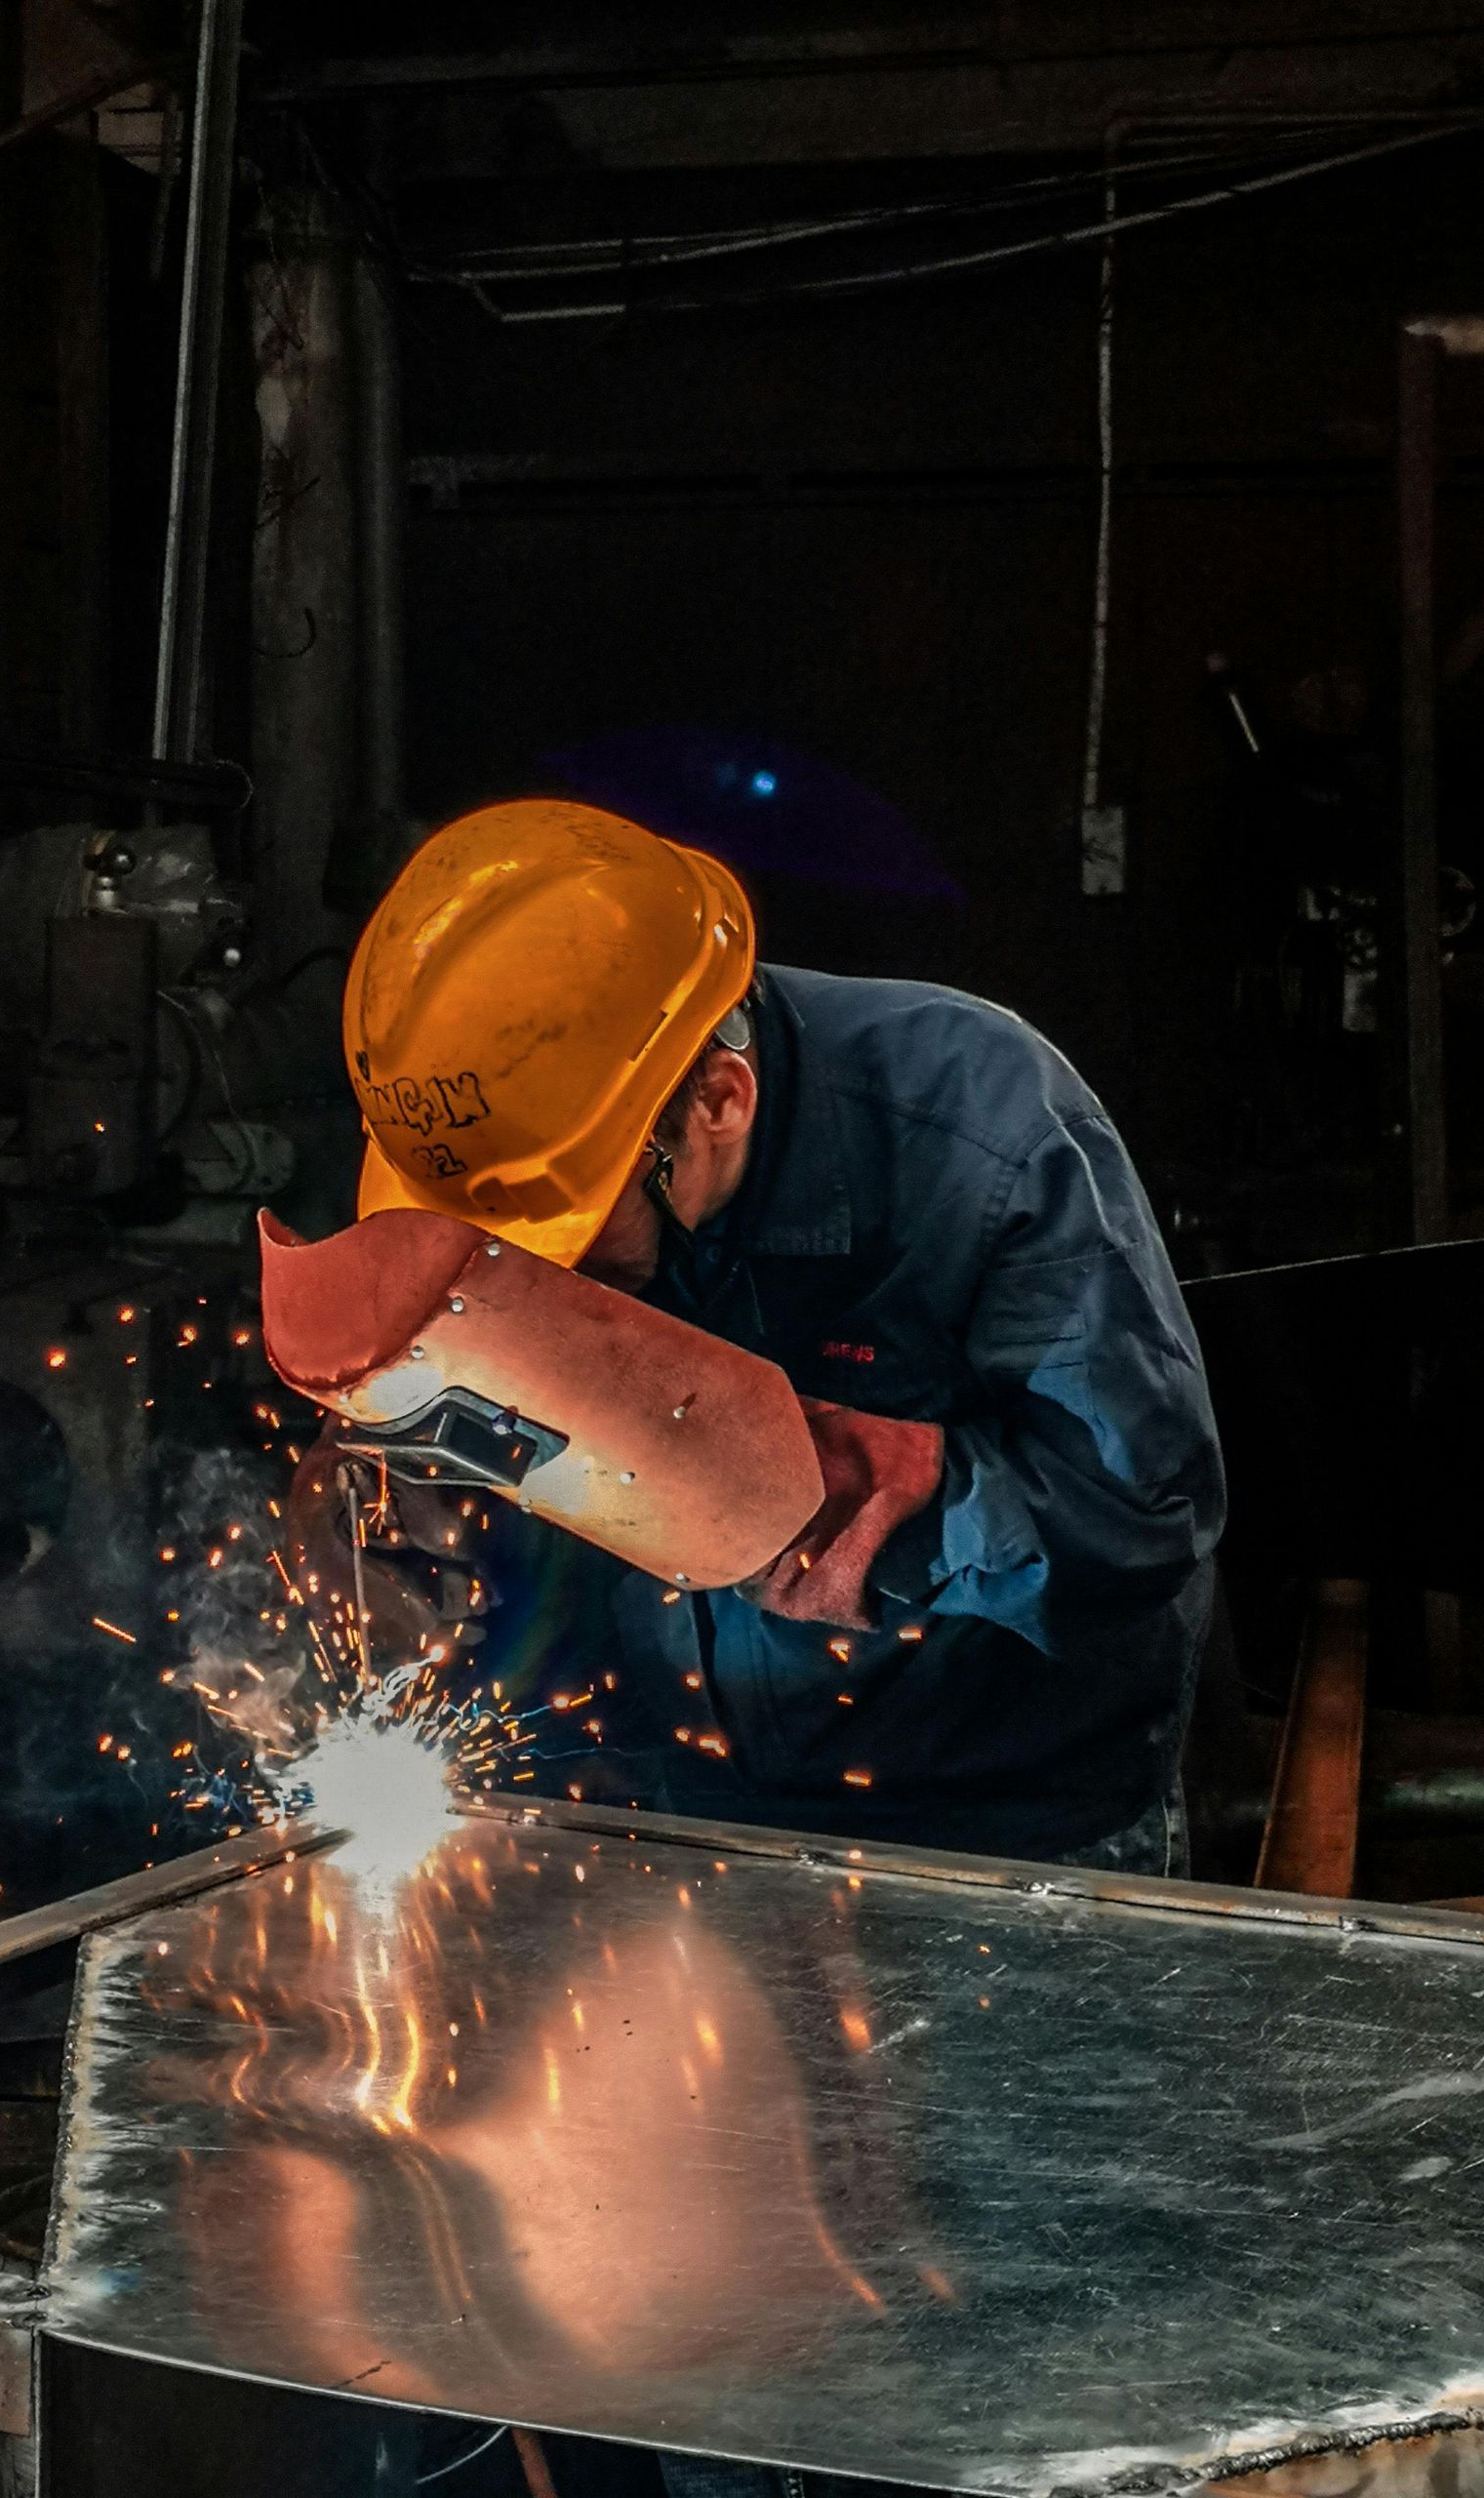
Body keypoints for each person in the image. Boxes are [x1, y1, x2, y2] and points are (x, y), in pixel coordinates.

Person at [298, 797, 1225, 2498]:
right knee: (713, 2364)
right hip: (684, 1856)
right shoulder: (502, 1137)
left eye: (565, 1243)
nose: (526, 1275)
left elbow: (1137, 1518)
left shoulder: (982, 1127)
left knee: (1002, 2380)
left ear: (714, 1102)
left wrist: (853, 1501)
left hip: (1001, 1851)